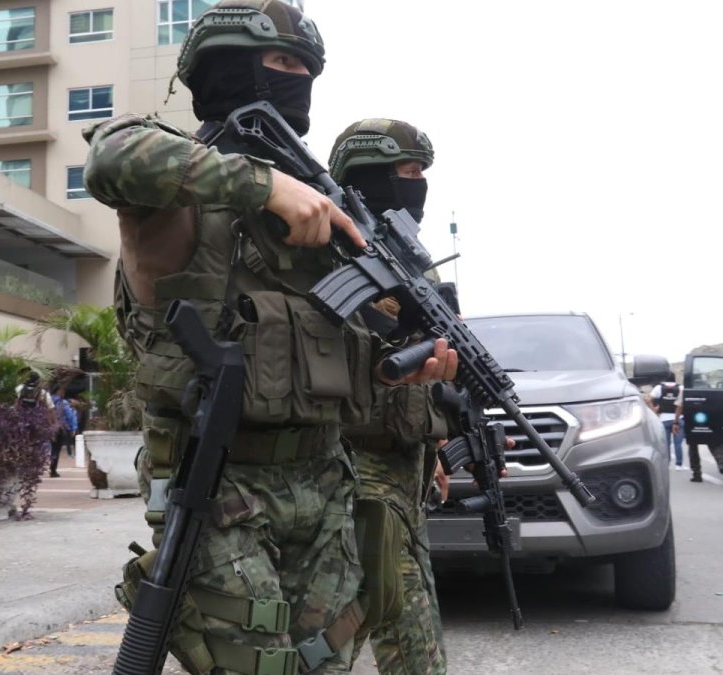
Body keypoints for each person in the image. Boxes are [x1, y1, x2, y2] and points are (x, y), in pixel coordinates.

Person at [82, 2, 457, 672]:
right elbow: (112, 156)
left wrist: (402, 368)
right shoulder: (179, 186)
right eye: (281, 63)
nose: (297, 79)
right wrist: (264, 184)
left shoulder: (324, 215)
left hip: (324, 482)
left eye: (307, 68)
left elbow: (327, 355)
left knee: (322, 662)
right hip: (219, 480)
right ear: (224, 67)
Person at [329, 118, 447, 673]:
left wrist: (435, 444)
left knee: (410, 622)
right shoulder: (332, 245)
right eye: (406, 172)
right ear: (368, 173)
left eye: (422, 173)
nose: (417, 184)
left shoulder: (407, 254)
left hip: (406, 466)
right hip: (355, 464)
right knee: (353, 624)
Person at [675, 398, 723, 483]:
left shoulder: (686, 389)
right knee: (713, 444)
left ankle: (696, 474)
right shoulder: (711, 389)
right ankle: (722, 464)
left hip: (692, 419)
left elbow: (680, 406)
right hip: (710, 418)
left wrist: (676, 421)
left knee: (693, 447)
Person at [647, 379, 685, 470]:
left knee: (666, 444)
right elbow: (682, 404)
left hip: (663, 419)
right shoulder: (681, 387)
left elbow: (648, 400)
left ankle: (666, 464)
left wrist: (654, 411)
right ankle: (678, 465)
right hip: (678, 418)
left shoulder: (659, 387)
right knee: (678, 443)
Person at [49, 383, 79, 477]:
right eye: (62, 391)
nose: (64, 393)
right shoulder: (63, 403)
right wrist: (74, 428)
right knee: (56, 449)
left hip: (48, 427)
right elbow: (70, 416)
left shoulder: (48, 400)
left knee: (50, 447)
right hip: (60, 428)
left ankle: (51, 466)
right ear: (58, 391)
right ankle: (53, 469)